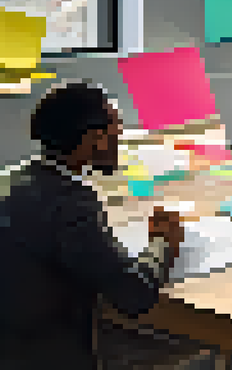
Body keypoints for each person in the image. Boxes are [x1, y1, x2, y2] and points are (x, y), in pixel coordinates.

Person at [0, 82, 185, 370]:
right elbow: (133, 296)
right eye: (116, 132)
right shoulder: (69, 204)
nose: (118, 141)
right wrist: (163, 242)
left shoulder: (13, 181)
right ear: (95, 138)